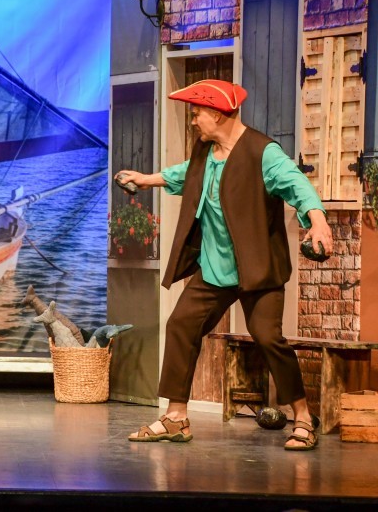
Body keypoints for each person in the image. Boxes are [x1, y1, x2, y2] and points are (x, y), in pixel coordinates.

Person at [116, 79, 332, 451]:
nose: (193, 121)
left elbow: (296, 184)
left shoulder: (262, 152)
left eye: (197, 113)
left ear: (217, 114)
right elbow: (187, 173)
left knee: (267, 337)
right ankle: (176, 417)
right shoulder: (206, 152)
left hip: (257, 268)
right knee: (181, 324)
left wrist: (319, 220)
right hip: (215, 268)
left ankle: (302, 416)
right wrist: (148, 180)